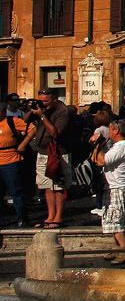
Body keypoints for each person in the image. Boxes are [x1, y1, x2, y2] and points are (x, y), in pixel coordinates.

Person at [27, 89, 71, 229]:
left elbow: (55, 132)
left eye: (46, 101)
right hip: (42, 152)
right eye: (41, 100)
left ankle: (58, 217)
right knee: (46, 186)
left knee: (58, 186)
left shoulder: (62, 112)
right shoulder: (43, 110)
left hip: (57, 153)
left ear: (54, 99)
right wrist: (32, 109)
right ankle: (50, 215)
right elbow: (25, 121)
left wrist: (42, 116)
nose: (43, 103)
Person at [98, 119, 125, 265]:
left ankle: (124, 250)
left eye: (109, 129)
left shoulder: (121, 147)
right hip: (115, 186)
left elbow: (102, 161)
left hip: (118, 187)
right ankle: (118, 247)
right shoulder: (121, 146)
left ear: (116, 131)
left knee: (115, 220)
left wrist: (98, 145)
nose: (108, 132)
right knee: (110, 219)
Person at [0, 107, 30, 227]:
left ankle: (22, 218)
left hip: (11, 160)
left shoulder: (12, 121)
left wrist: (23, 144)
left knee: (16, 191)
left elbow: (32, 129)